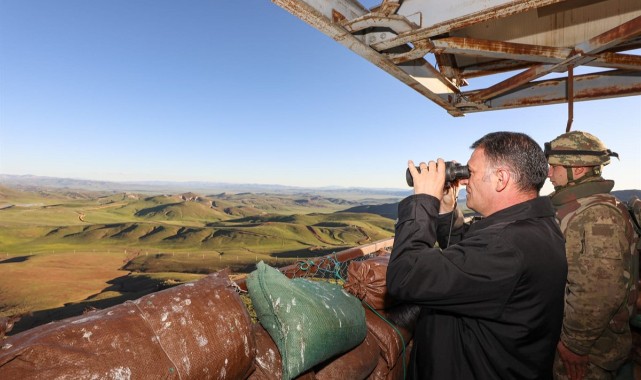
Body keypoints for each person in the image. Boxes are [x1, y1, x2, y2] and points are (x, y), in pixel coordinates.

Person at [386, 131, 567, 379]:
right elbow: (470, 261)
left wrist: (423, 200)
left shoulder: (507, 245)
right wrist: (446, 212)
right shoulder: (535, 226)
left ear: (501, 179)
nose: (465, 181)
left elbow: (405, 275)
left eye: (470, 172)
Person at [545, 130, 637, 380]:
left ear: (581, 168)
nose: (549, 173)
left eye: (555, 167)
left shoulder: (596, 214)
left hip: (591, 351)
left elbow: (599, 290)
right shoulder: (582, 208)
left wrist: (575, 344)